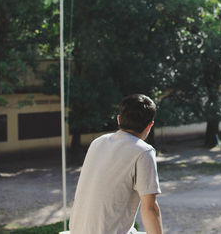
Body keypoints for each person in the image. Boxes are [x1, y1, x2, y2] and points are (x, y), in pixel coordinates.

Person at [69, 94, 163, 234]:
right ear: (150, 125)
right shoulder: (143, 151)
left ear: (119, 120)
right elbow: (149, 208)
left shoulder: (98, 142)